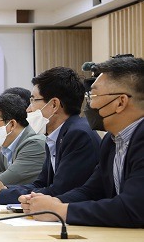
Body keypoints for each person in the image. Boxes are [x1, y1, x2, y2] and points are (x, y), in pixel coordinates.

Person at [21, 57, 144, 227]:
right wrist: (51, 202)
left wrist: (61, 210)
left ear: (120, 102)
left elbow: (133, 207)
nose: (89, 103)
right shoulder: (111, 141)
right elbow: (91, 191)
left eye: (93, 95)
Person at [0, 67, 101, 204]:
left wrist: (3, 194)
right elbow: (41, 183)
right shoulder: (55, 136)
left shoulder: (78, 134)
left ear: (54, 105)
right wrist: (4, 189)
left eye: (33, 100)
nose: (28, 109)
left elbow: (59, 192)